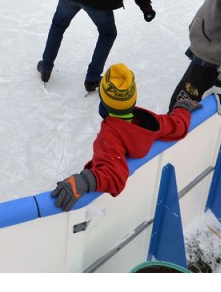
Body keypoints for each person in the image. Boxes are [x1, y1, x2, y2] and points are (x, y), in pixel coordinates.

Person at [51, 63, 198, 212]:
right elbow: (178, 126)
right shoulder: (149, 122)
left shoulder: (110, 136)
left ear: (104, 101)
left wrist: (84, 180)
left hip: (104, 208)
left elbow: (114, 175)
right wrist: (182, 108)